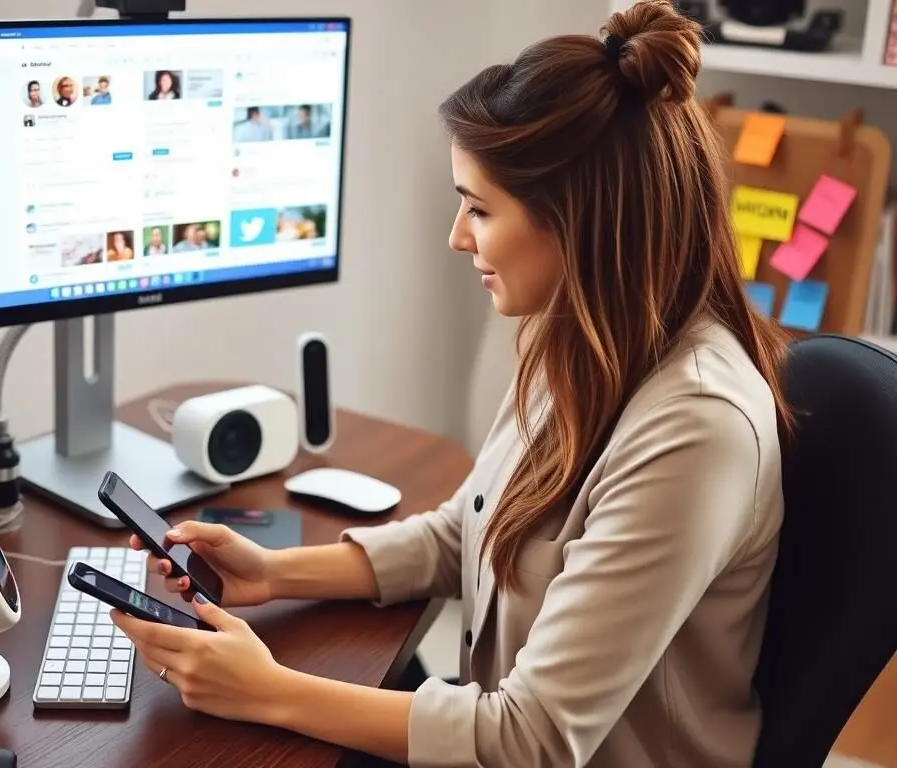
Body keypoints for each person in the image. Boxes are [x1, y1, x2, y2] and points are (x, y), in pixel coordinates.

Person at [111, 2, 793, 766]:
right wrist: (273, 573)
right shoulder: (577, 334)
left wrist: (267, 688)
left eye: (479, 208)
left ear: (577, 221)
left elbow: (532, 738)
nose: (457, 235)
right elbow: (473, 530)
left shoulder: (695, 429)